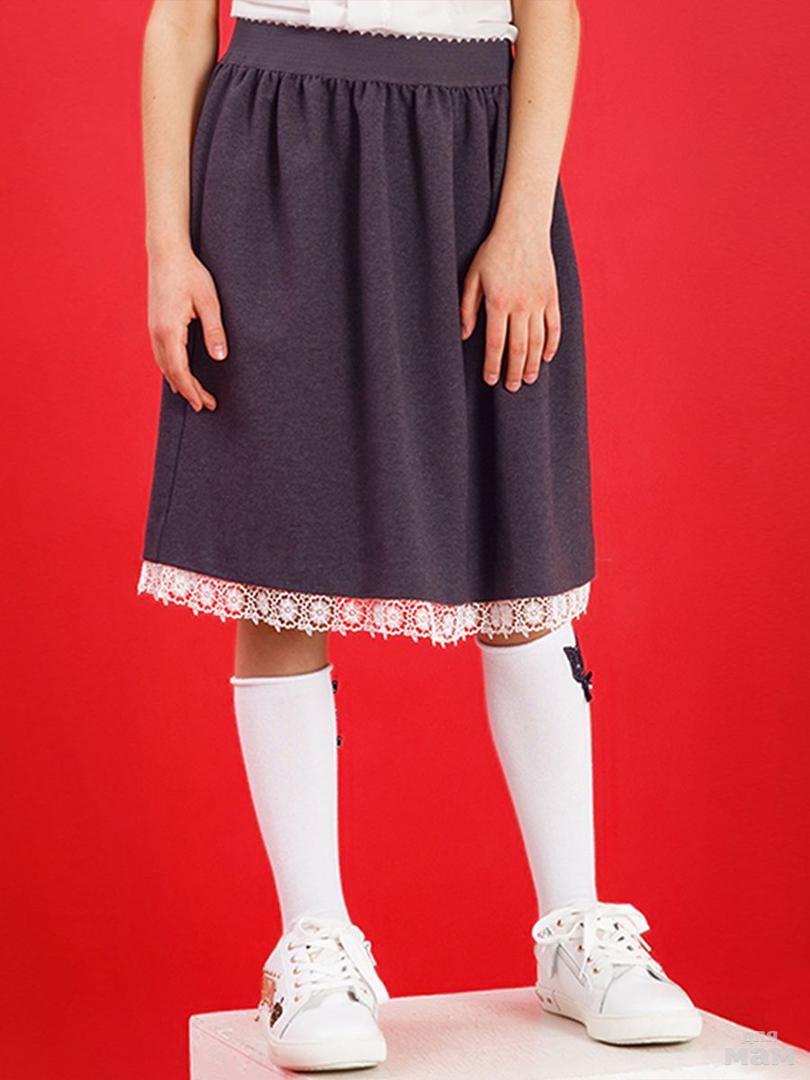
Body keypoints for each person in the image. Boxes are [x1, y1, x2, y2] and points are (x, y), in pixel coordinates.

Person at [138, 0, 701, 1070]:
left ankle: (575, 927)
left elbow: (551, 13)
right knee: (279, 555)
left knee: (520, 542)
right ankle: (313, 946)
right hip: (278, 159)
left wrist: (524, 223)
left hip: (474, 164)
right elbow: (176, 21)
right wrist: (170, 247)